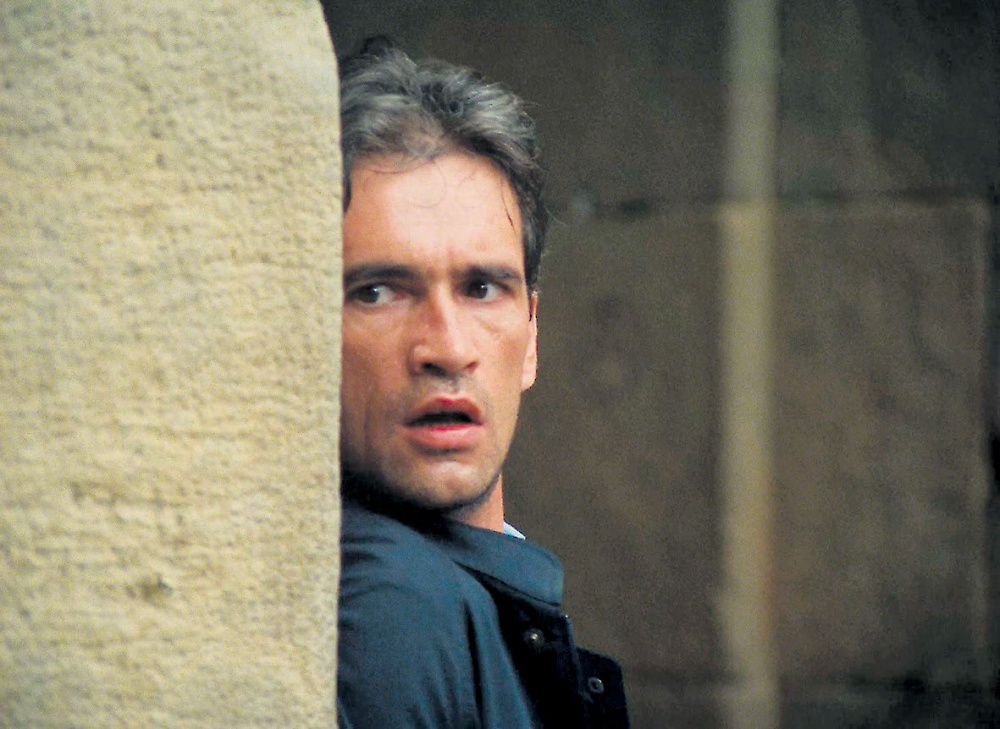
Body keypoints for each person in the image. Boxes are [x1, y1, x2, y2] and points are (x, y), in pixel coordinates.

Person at [335, 39, 630, 729]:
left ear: (531, 335)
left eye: (482, 288)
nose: (448, 347)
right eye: (378, 291)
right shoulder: (388, 611)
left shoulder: (468, 595)